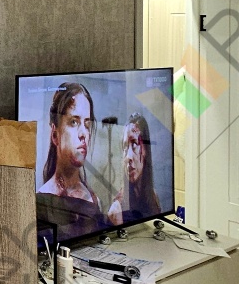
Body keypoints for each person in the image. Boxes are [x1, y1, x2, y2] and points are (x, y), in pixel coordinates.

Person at [36, 82, 107, 239]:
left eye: (87, 124)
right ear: (55, 134)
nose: (83, 134)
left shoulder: (94, 200)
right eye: (74, 122)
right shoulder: (40, 200)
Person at [107, 113, 162, 225]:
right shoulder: (117, 210)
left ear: (146, 150)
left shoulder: (153, 197)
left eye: (134, 144)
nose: (128, 157)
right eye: (125, 147)